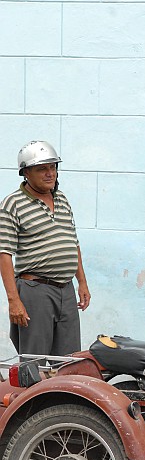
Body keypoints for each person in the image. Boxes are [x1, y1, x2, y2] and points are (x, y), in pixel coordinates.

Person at [0, 140, 91, 355]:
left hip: (66, 290)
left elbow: (73, 242)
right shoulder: (12, 204)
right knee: (35, 361)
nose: (50, 173)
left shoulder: (62, 199)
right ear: (25, 173)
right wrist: (14, 301)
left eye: (53, 167)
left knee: (69, 361)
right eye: (42, 169)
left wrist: (82, 282)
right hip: (35, 291)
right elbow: (4, 254)